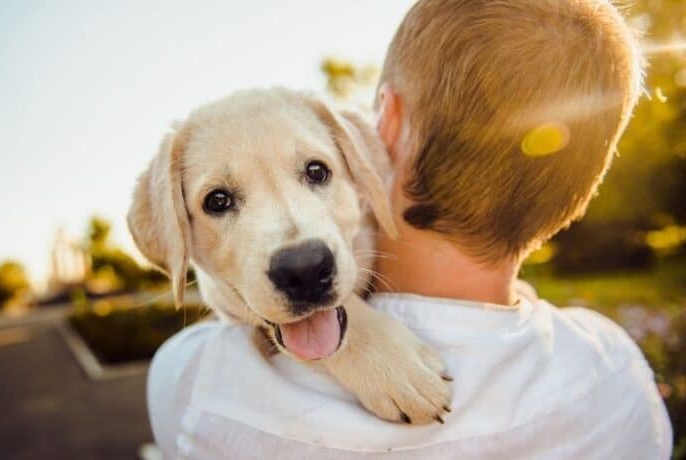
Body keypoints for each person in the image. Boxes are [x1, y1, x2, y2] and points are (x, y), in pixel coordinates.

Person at [147, 0, 673, 458]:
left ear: (385, 125)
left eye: (315, 172)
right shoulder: (616, 373)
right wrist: (353, 335)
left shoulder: (197, 388)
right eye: (220, 201)